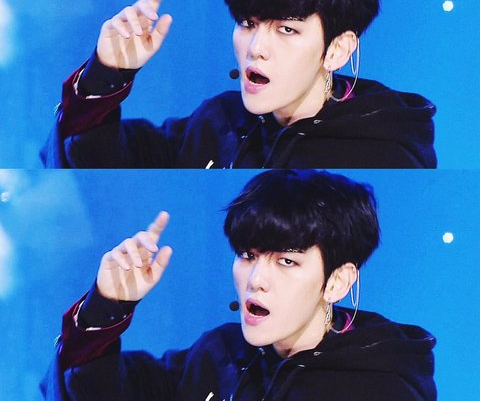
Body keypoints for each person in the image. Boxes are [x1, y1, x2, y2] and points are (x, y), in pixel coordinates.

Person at [40, 170, 437, 400]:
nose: (256, 280)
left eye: (286, 261)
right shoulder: (221, 355)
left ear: (338, 281)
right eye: (248, 255)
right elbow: (85, 392)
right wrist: (107, 305)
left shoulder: (383, 386)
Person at [41, 0, 437, 168]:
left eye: (286, 29)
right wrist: (106, 73)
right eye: (247, 23)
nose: (256, 49)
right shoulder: (219, 123)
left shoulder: (385, 152)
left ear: (338, 49)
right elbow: (81, 159)